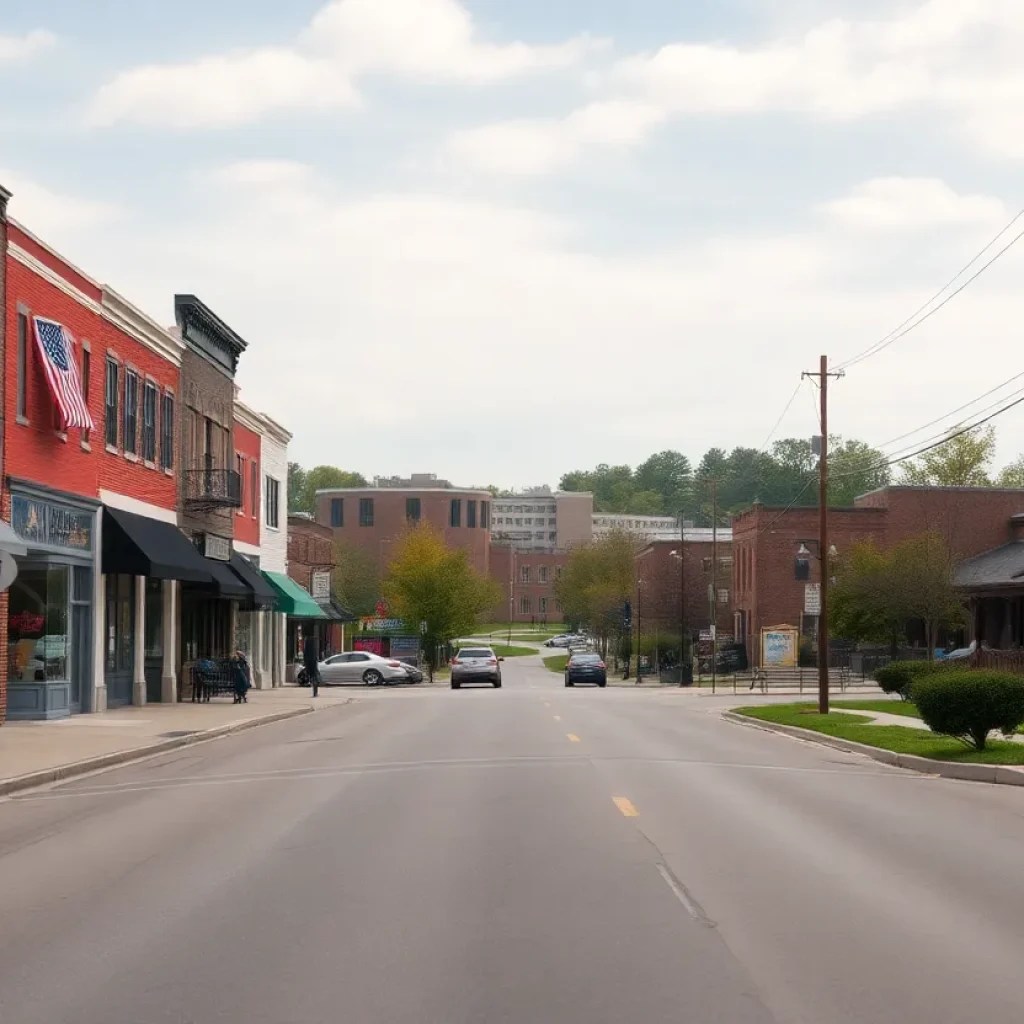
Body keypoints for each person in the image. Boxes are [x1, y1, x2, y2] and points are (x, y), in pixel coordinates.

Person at [303, 633, 321, 697]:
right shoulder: (314, 648)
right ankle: (315, 692)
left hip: (309, 663)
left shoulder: (307, 648)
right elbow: (316, 658)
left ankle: (314, 691)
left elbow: (305, 656)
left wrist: (305, 663)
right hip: (313, 664)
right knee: (315, 677)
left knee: (312, 677)